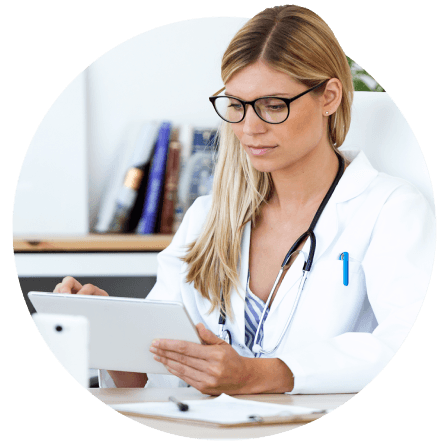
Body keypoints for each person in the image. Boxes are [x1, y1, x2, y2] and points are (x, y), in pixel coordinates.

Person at [54, 5, 435, 394]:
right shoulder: (207, 218)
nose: (249, 128)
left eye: (273, 106)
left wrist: (260, 376)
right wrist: (114, 335)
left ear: (329, 97)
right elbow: (152, 379)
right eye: (236, 106)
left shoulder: (391, 210)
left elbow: (407, 345)